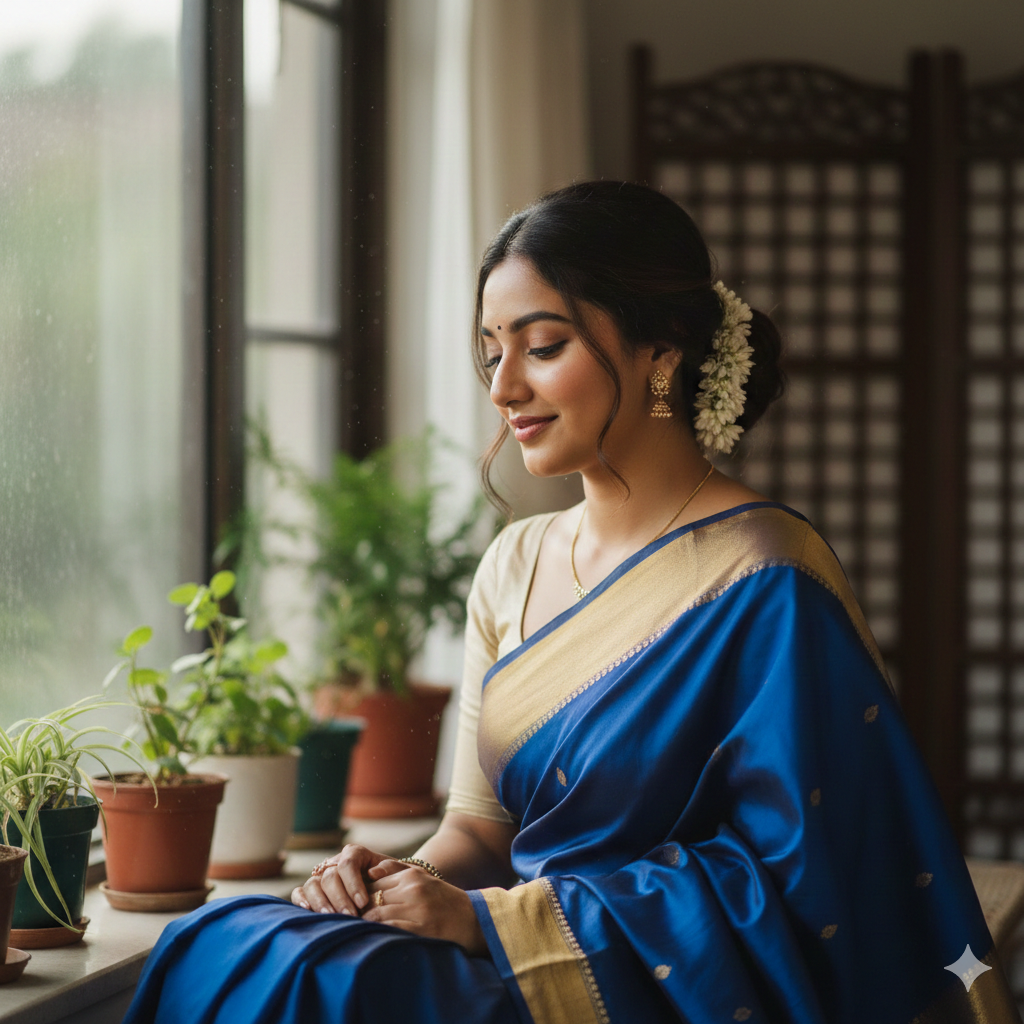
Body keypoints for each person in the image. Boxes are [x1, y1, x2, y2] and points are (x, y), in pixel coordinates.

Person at [124, 182, 1019, 1023]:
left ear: (661, 350)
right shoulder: (514, 564)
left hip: (636, 987)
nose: (504, 386)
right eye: (490, 352)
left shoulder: (766, 577)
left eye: (542, 346)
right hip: (502, 943)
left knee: (336, 989)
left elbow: (800, 879)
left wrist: (505, 926)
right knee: (228, 938)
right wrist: (386, 878)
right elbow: (478, 830)